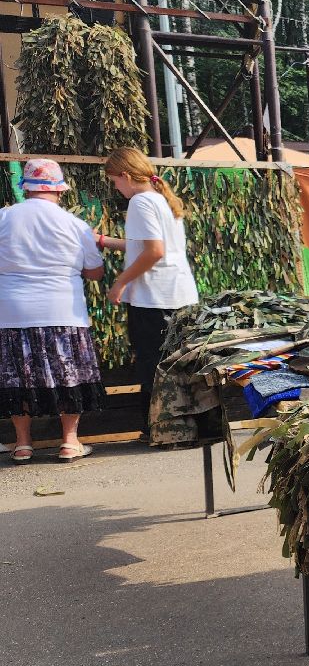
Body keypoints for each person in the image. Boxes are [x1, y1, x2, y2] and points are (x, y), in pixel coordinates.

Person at [0, 159, 107, 462]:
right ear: (60, 190)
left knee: (17, 377)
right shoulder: (75, 224)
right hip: (63, 310)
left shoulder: (4, 218)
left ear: (26, 189)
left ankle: (22, 444)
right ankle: (70, 442)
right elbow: (95, 272)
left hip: (12, 312)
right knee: (68, 374)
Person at [95, 147, 200, 436]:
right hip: (178, 294)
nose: (115, 187)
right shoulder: (159, 199)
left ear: (126, 176)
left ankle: (156, 428)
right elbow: (145, 245)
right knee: (175, 363)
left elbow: (154, 251)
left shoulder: (141, 202)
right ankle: (178, 427)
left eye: (115, 181)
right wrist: (105, 241)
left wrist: (121, 281)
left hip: (154, 298)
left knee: (152, 367)